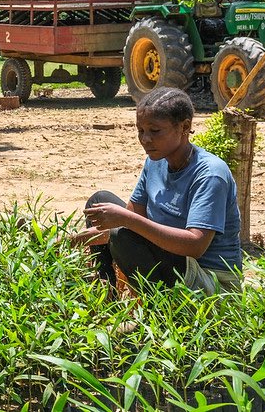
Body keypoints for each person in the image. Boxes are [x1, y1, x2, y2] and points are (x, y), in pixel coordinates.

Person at [67, 87, 242, 295]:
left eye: (155, 131)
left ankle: (158, 316)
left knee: (122, 231)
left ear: (185, 127)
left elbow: (195, 246)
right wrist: (74, 240)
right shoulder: (155, 162)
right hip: (172, 262)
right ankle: (106, 295)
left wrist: (126, 220)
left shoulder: (210, 174)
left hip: (210, 282)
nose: (145, 139)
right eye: (140, 130)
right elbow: (128, 223)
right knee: (100, 202)